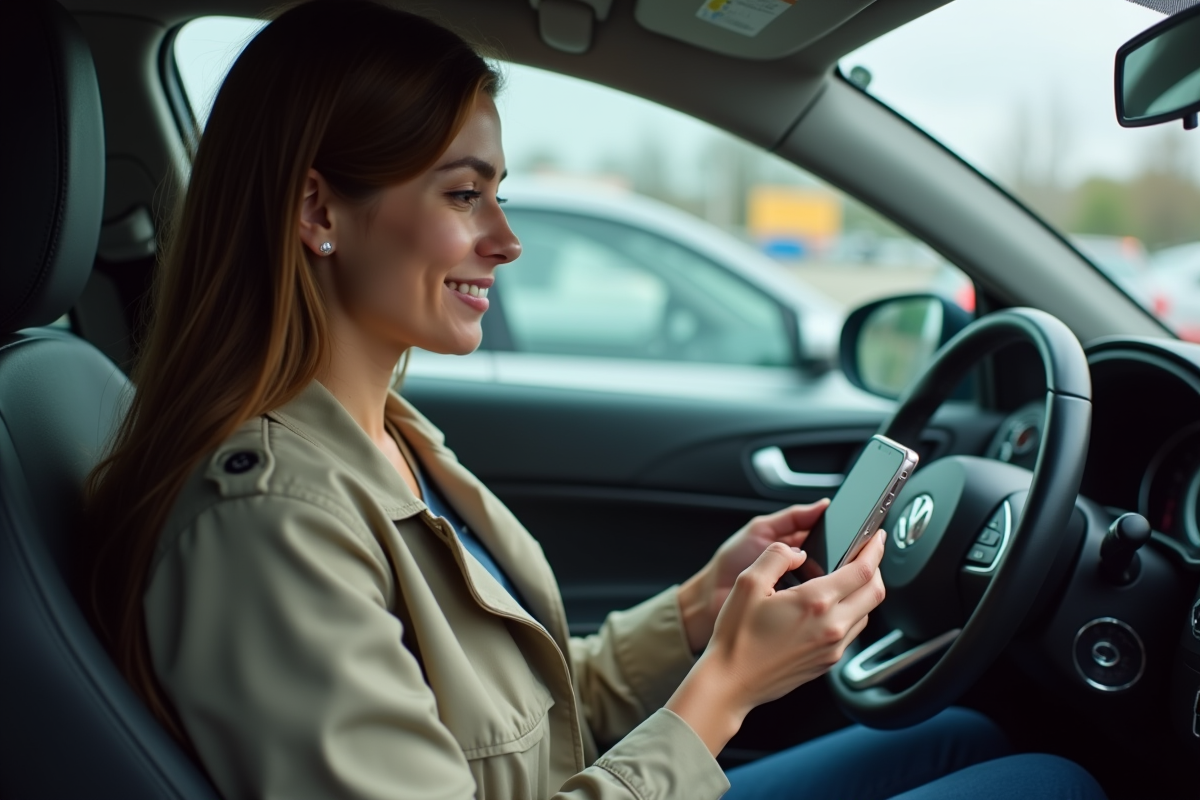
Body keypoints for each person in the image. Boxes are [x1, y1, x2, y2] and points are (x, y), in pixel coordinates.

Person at [82, 2, 1107, 798]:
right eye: (462, 192)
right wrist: (725, 689)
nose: (505, 238)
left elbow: (515, 725)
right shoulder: (269, 523)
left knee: (969, 736)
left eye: (499, 190)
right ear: (319, 209)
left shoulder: (381, 434)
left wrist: (697, 614)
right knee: (1052, 782)